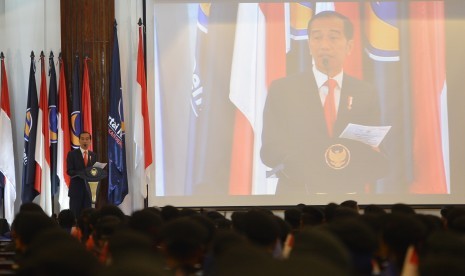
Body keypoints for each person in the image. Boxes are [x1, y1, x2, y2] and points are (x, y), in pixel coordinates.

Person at [261, 10, 387, 194]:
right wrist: (308, 164)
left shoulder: (365, 92)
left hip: (348, 196)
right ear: (309, 44)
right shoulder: (283, 89)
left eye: (333, 38)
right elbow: (270, 150)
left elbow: (375, 148)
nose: (324, 45)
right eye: (317, 38)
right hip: (298, 195)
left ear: (349, 46)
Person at [67, 131, 97, 218]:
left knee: (87, 216)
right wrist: (83, 173)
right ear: (79, 141)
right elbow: (69, 171)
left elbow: (94, 172)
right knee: (75, 215)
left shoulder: (93, 155)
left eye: (87, 139)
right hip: (76, 190)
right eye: (83, 139)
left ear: (90, 141)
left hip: (88, 191)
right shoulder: (72, 154)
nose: (85, 141)